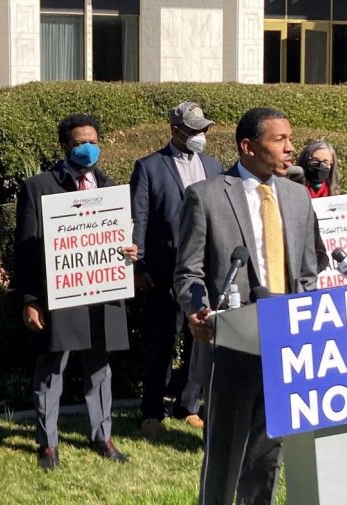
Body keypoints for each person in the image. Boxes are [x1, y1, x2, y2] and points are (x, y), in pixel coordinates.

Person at [175, 108, 318, 505]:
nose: (291, 148)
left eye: (291, 138)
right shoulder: (205, 196)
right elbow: (188, 273)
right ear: (248, 147)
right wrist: (197, 311)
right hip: (231, 347)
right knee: (224, 459)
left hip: (286, 345)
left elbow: (306, 273)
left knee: (267, 456)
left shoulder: (297, 196)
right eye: (279, 140)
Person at [16, 113, 138, 470]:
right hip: (58, 294)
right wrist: (29, 300)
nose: (88, 148)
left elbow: (121, 236)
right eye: (79, 142)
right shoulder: (38, 186)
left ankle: (102, 435)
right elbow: (24, 249)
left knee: (100, 369)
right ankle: (48, 444)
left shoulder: (111, 187)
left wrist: (130, 251)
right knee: (52, 368)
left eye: (93, 141)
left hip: (103, 293)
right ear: (65, 146)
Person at [130, 101, 223, 436]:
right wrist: (138, 265)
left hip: (202, 267)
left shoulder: (214, 166)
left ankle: (188, 404)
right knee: (160, 340)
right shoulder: (150, 166)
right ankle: (152, 410)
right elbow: (139, 218)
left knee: (200, 337)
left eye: (204, 129)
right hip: (162, 267)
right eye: (193, 129)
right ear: (174, 129)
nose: (200, 135)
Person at [294, 140, 343, 273]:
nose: (320, 166)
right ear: (305, 161)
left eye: (326, 162)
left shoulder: (337, 197)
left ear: (332, 166)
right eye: (315, 161)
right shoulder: (293, 194)